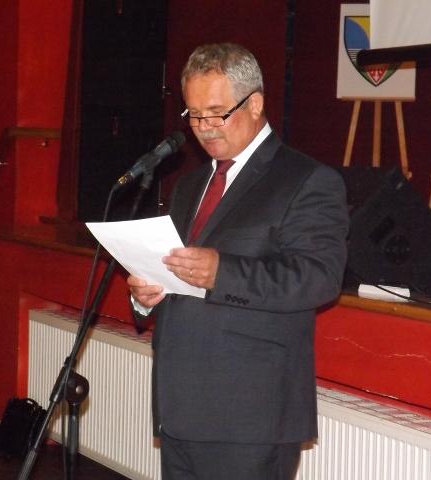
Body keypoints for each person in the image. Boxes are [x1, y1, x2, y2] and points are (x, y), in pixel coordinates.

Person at [127, 43, 349, 480]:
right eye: (193, 115)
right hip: (179, 408)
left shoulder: (306, 180)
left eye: (216, 113)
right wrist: (147, 294)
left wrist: (221, 272)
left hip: (250, 417)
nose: (204, 128)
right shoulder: (190, 185)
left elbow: (319, 278)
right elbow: (180, 274)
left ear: (256, 103)